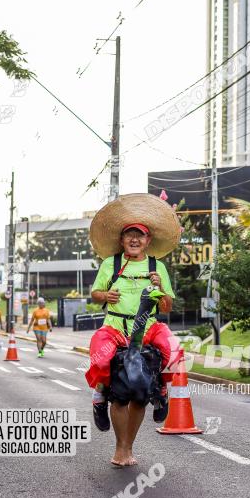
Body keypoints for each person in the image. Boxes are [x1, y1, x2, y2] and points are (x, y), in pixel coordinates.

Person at [86, 193, 184, 467]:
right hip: (115, 326)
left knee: (174, 352)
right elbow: (94, 293)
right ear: (121, 239)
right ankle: (99, 396)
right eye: (129, 235)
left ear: (148, 240)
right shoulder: (111, 264)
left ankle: (161, 392)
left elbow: (166, 306)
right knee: (100, 358)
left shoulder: (157, 267)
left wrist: (159, 286)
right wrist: (105, 297)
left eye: (140, 236)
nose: (134, 240)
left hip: (148, 327)